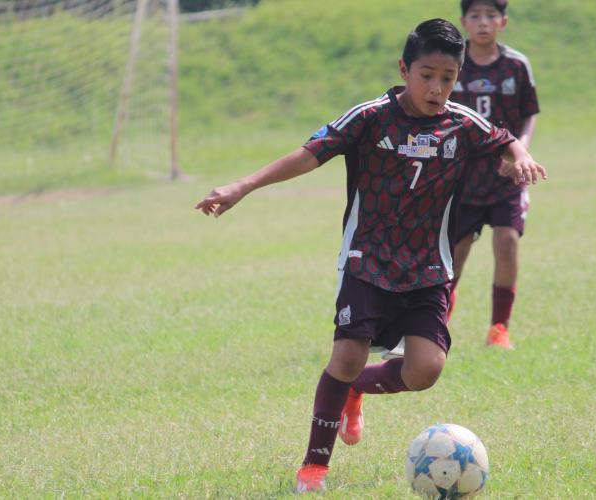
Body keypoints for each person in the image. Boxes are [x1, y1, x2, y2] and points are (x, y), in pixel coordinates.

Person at [195, 18, 546, 493]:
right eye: (426, 74)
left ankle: (358, 388)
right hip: (368, 259)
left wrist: (520, 157)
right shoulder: (370, 116)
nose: (436, 87)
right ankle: (314, 466)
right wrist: (243, 186)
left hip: (428, 268)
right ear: (404, 69)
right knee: (347, 354)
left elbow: (506, 139)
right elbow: (308, 153)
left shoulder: (463, 125)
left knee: (425, 370)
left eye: (447, 77)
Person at [449, 0, 540, 349]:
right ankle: (437, 322)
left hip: (506, 176)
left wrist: (521, 152)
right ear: (464, 22)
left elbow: (529, 114)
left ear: (503, 21)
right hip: (461, 179)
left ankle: (499, 328)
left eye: (490, 16)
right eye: (475, 16)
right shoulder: (452, 64)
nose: (483, 22)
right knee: (454, 253)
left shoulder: (516, 65)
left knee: (507, 241)